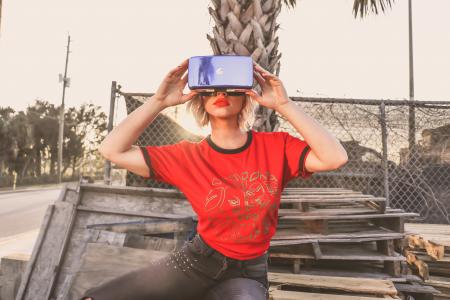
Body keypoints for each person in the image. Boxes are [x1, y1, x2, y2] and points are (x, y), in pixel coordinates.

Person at [80, 58, 348, 300]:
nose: (221, 94)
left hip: (246, 274)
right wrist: (158, 101)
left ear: (246, 96)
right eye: (211, 89)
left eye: (231, 87)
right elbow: (111, 150)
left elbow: (334, 157)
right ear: (200, 98)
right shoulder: (186, 156)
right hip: (196, 263)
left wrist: (284, 105)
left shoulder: (277, 147)